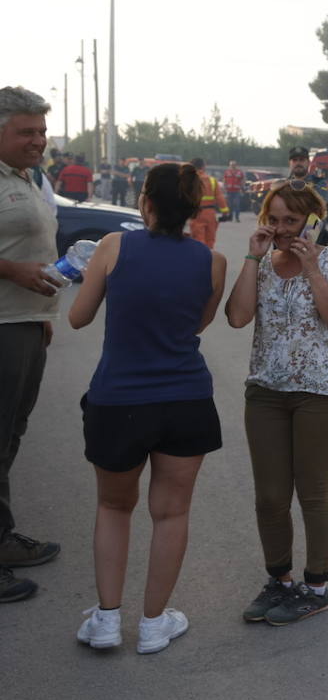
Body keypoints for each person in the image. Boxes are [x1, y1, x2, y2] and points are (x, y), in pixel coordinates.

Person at [68, 163, 228, 652]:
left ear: (146, 203)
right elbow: (197, 326)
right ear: (193, 209)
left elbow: (78, 318)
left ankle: (108, 619)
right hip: (186, 399)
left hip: (119, 400)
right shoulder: (212, 262)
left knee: (115, 507)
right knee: (171, 513)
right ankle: (155, 622)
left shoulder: (115, 246)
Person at [225, 179, 328, 626]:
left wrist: (313, 269)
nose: (281, 229)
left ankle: (316, 587)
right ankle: (278, 581)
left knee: (313, 494)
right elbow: (238, 317)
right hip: (266, 392)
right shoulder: (261, 264)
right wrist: (252, 257)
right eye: (274, 219)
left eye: (291, 221)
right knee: (269, 497)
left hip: (322, 395)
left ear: (312, 221)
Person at [0, 87, 62, 604]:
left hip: (25, 324)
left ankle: (2, 537)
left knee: (10, 435)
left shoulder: (26, 177)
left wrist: (42, 316)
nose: (38, 140)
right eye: (27, 131)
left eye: (41, 131)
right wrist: (11, 271)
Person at [187, 158, 227, 249]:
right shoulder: (212, 181)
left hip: (196, 213)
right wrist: (225, 212)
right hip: (210, 213)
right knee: (210, 240)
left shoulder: (190, 181)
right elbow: (220, 197)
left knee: (198, 239)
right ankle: (209, 259)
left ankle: (199, 259)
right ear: (203, 166)